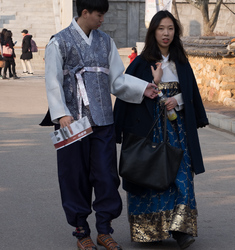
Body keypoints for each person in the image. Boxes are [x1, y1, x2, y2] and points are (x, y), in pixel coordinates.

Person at [42, 0, 158, 249]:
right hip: (71, 123)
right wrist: (61, 113)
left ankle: (104, 229)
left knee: (106, 176)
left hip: (103, 121)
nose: (102, 19)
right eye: (99, 14)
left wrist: (143, 87)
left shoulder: (105, 41)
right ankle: (81, 231)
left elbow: (117, 79)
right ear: (85, 12)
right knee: (75, 177)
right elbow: (52, 80)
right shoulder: (58, 41)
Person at [114, 10, 209, 249]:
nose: (166, 34)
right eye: (161, 29)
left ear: (175, 32)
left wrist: (177, 100)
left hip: (178, 131)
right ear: (153, 31)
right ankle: (151, 229)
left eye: (170, 28)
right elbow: (125, 93)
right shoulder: (141, 63)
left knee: (182, 176)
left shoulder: (182, 63)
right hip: (149, 130)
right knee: (151, 177)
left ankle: (180, 230)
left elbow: (192, 96)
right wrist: (153, 84)